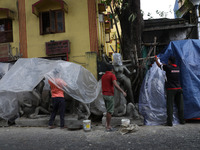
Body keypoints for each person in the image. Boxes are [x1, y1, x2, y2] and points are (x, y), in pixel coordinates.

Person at [155, 55, 185, 126]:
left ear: (170, 61)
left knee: (170, 106)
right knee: (180, 105)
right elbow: (166, 66)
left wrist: (156, 59)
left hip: (171, 89)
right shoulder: (177, 67)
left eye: (168, 60)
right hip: (179, 88)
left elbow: (159, 65)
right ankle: (182, 120)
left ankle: (169, 122)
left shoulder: (168, 67)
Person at [101, 64, 127, 131]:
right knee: (110, 112)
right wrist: (122, 91)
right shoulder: (112, 75)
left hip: (104, 95)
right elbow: (116, 85)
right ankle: (108, 127)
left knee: (108, 111)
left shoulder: (103, 76)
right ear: (112, 70)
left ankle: (107, 124)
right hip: (109, 95)